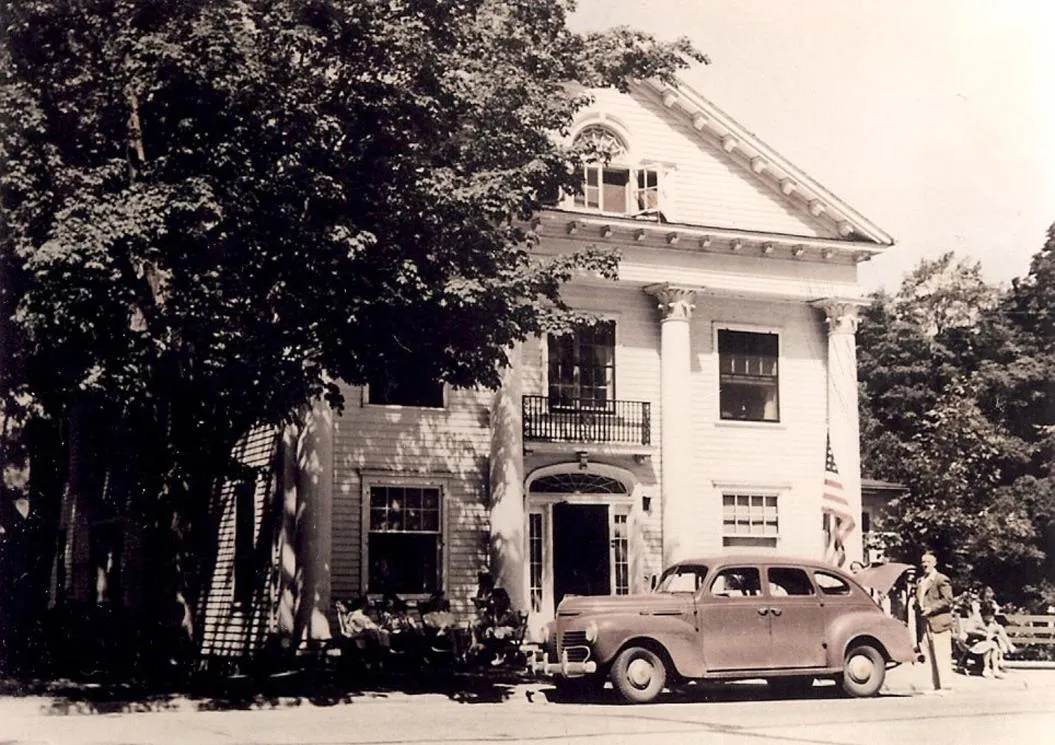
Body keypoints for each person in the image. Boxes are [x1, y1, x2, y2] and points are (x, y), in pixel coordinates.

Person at [916, 550, 955, 691]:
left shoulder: (941, 579)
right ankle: (933, 686)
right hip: (925, 623)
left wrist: (931, 608)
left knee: (942, 654)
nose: (925, 564)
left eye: (928, 562)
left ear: (935, 563)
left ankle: (946, 686)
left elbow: (948, 599)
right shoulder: (921, 581)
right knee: (928, 654)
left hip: (939, 622)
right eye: (923, 562)